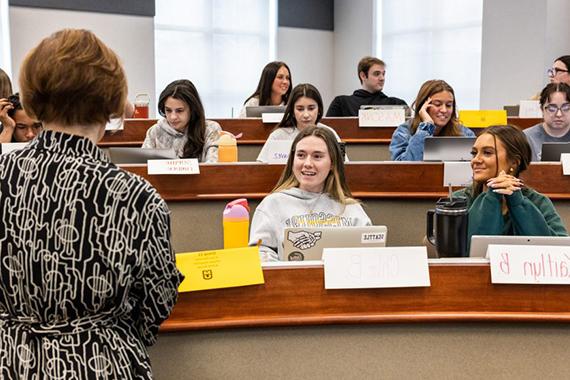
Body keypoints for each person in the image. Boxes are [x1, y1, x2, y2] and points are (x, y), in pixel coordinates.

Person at [0, 29, 183, 378]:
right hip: (100, 362)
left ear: (34, 97)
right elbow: (157, 299)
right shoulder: (137, 198)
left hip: (10, 361)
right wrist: (101, 330)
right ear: (112, 101)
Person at [249, 126, 372, 262]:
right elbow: (259, 252)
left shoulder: (351, 208)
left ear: (332, 163)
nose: (307, 163)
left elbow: (370, 254)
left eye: (317, 156)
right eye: (301, 155)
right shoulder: (272, 204)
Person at [454, 125, 567, 243]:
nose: (475, 160)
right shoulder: (459, 201)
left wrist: (517, 203)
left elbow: (557, 249)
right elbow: (461, 252)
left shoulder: (538, 202)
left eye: (487, 153)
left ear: (514, 162)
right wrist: (492, 196)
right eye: (474, 153)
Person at [257, 83, 347, 162]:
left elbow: (344, 166)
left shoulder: (330, 133)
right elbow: (261, 167)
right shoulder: (278, 136)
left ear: (319, 109)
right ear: (292, 111)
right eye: (300, 109)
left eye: (311, 108)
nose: (306, 115)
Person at [390, 79, 475, 161]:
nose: (444, 110)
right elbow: (405, 168)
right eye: (438, 104)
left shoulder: (465, 134)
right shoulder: (404, 132)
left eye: (449, 105)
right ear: (424, 105)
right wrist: (426, 127)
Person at [142, 79, 221, 162]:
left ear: (192, 109)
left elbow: (213, 168)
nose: (173, 117)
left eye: (179, 111)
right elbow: (141, 168)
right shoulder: (155, 131)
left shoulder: (211, 130)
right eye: (168, 110)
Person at [326, 56, 407, 117]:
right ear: (363, 76)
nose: (382, 78)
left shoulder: (397, 104)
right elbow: (329, 134)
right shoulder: (341, 103)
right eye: (376, 74)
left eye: (383, 74)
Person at [524, 83, 570, 161]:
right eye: (552, 108)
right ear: (542, 109)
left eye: (566, 107)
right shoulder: (526, 138)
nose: (559, 114)